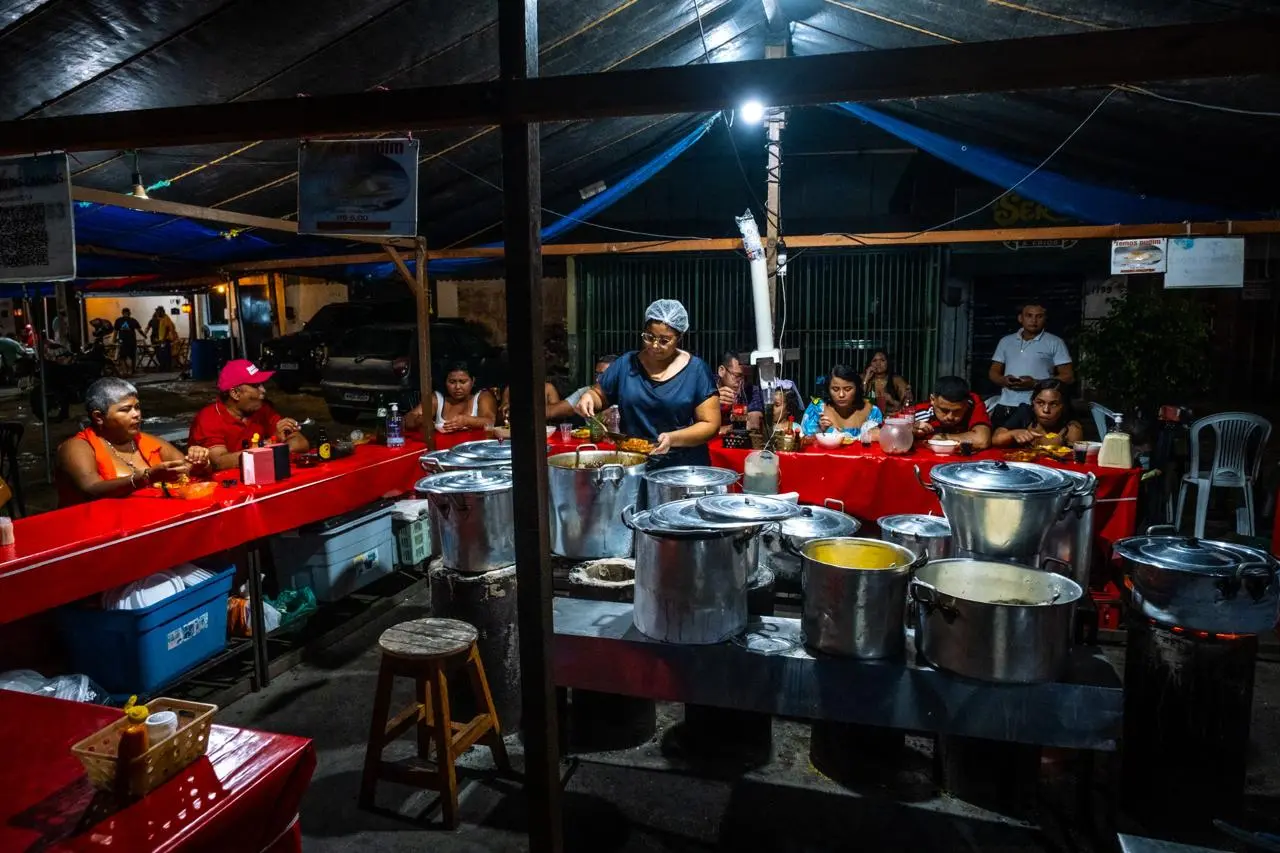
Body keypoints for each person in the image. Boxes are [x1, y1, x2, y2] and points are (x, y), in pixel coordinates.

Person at [574, 298, 719, 467]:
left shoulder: (696, 370)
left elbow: (710, 424)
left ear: (680, 337)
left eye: (664, 340)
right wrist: (589, 398)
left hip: (682, 466)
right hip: (633, 463)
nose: (655, 345)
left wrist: (672, 438)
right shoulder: (626, 364)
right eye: (649, 337)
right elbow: (599, 394)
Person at [56, 378, 211, 507]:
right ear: (98, 417)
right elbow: (91, 489)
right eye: (125, 410)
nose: (136, 414)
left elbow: (186, 472)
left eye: (137, 407)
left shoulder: (149, 442)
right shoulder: (77, 447)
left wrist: (200, 464)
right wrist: (146, 477)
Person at [188, 359, 308, 471]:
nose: (263, 391)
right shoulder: (209, 418)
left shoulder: (262, 409)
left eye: (261, 384)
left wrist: (272, 448)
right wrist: (272, 443)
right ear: (235, 393)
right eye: (256, 386)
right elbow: (220, 462)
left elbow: (301, 443)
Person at [988, 303, 1074, 427]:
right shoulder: (1006, 341)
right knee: (999, 440)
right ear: (1020, 318)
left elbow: (1068, 376)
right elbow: (993, 372)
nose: (1034, 320)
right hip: (1006, 403)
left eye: (1039, 316)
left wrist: (1036, 384)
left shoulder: (1055, 342)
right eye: (1029, 316)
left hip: (1036, 406)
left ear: (1045, 319)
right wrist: (1004, 380)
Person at [404, 362, 498, 433]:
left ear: (473, 381)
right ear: (445, 382)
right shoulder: (437, 398)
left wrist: (467, 421)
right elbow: (407, 419)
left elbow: (490, 421)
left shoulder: (483, 396)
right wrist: (420, 420)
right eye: (452, 382)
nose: (457, 387)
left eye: (463, 382)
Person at [992, 379, 1084, 447]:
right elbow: (996, 439)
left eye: (1054, 404)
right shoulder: (1025, 413)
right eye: (1040, 403)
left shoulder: (1071, 428)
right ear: (1033, 402)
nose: (1046, 410)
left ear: (1064, 406)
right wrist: (1013, 433)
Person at [801, 364, 883, 438]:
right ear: (828, 389)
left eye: (848, 389)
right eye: (835, 389)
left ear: (857, 389)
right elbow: (805, 442)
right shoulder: (817, 408)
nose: (841, 395)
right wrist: (820, 430)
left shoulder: (872, 411)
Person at [911, 375, 993, 449]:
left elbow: (982, 440)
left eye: (957, 411)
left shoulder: (973, 404)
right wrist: (909, 431)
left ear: (966, 403)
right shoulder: (916, 412)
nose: (950, 417)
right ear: (932, 400)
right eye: (944, 410)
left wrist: (944, 437)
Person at [716, 351, 763, 434]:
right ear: (721, 371)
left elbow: (754, 423)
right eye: (737, 376)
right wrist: (713, 401)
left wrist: (730, 428)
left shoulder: (750, 390)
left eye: (746, 377)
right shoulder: (707, 386)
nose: (742, 382)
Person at [863, 349, 913, 416]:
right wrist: (866, 379)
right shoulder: (864, 378)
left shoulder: (896, 380)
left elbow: (907, 406)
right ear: (870, 364)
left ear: (888, 363)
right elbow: (856, 402)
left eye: (882, 360)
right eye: (874, 361)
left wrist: (892, 401)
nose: (878, 363)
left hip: (891, 419)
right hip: (868, 420)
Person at [146, 306, 179, 371]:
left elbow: (167, 329)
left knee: (165, 354)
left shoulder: (166, 318)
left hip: (166, 339)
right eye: (156, 312)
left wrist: (163, 340)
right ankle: (164, 367)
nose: (157, 314)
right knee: (162, 354)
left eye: (158, 312)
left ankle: (166, 368)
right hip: (162, 339)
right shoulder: (162, 318)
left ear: (161, 312)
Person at [113, 308, 143, 376]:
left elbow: (115, 331)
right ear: (129, 313)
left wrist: (113, 340)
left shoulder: (118, 320)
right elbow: (139, 330)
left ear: (122, 313)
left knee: (123, 357)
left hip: (123, 341)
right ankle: (130, 371)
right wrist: (144, 335)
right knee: (131, 356)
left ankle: (125, 371)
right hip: (131, 341)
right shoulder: (133, 320)